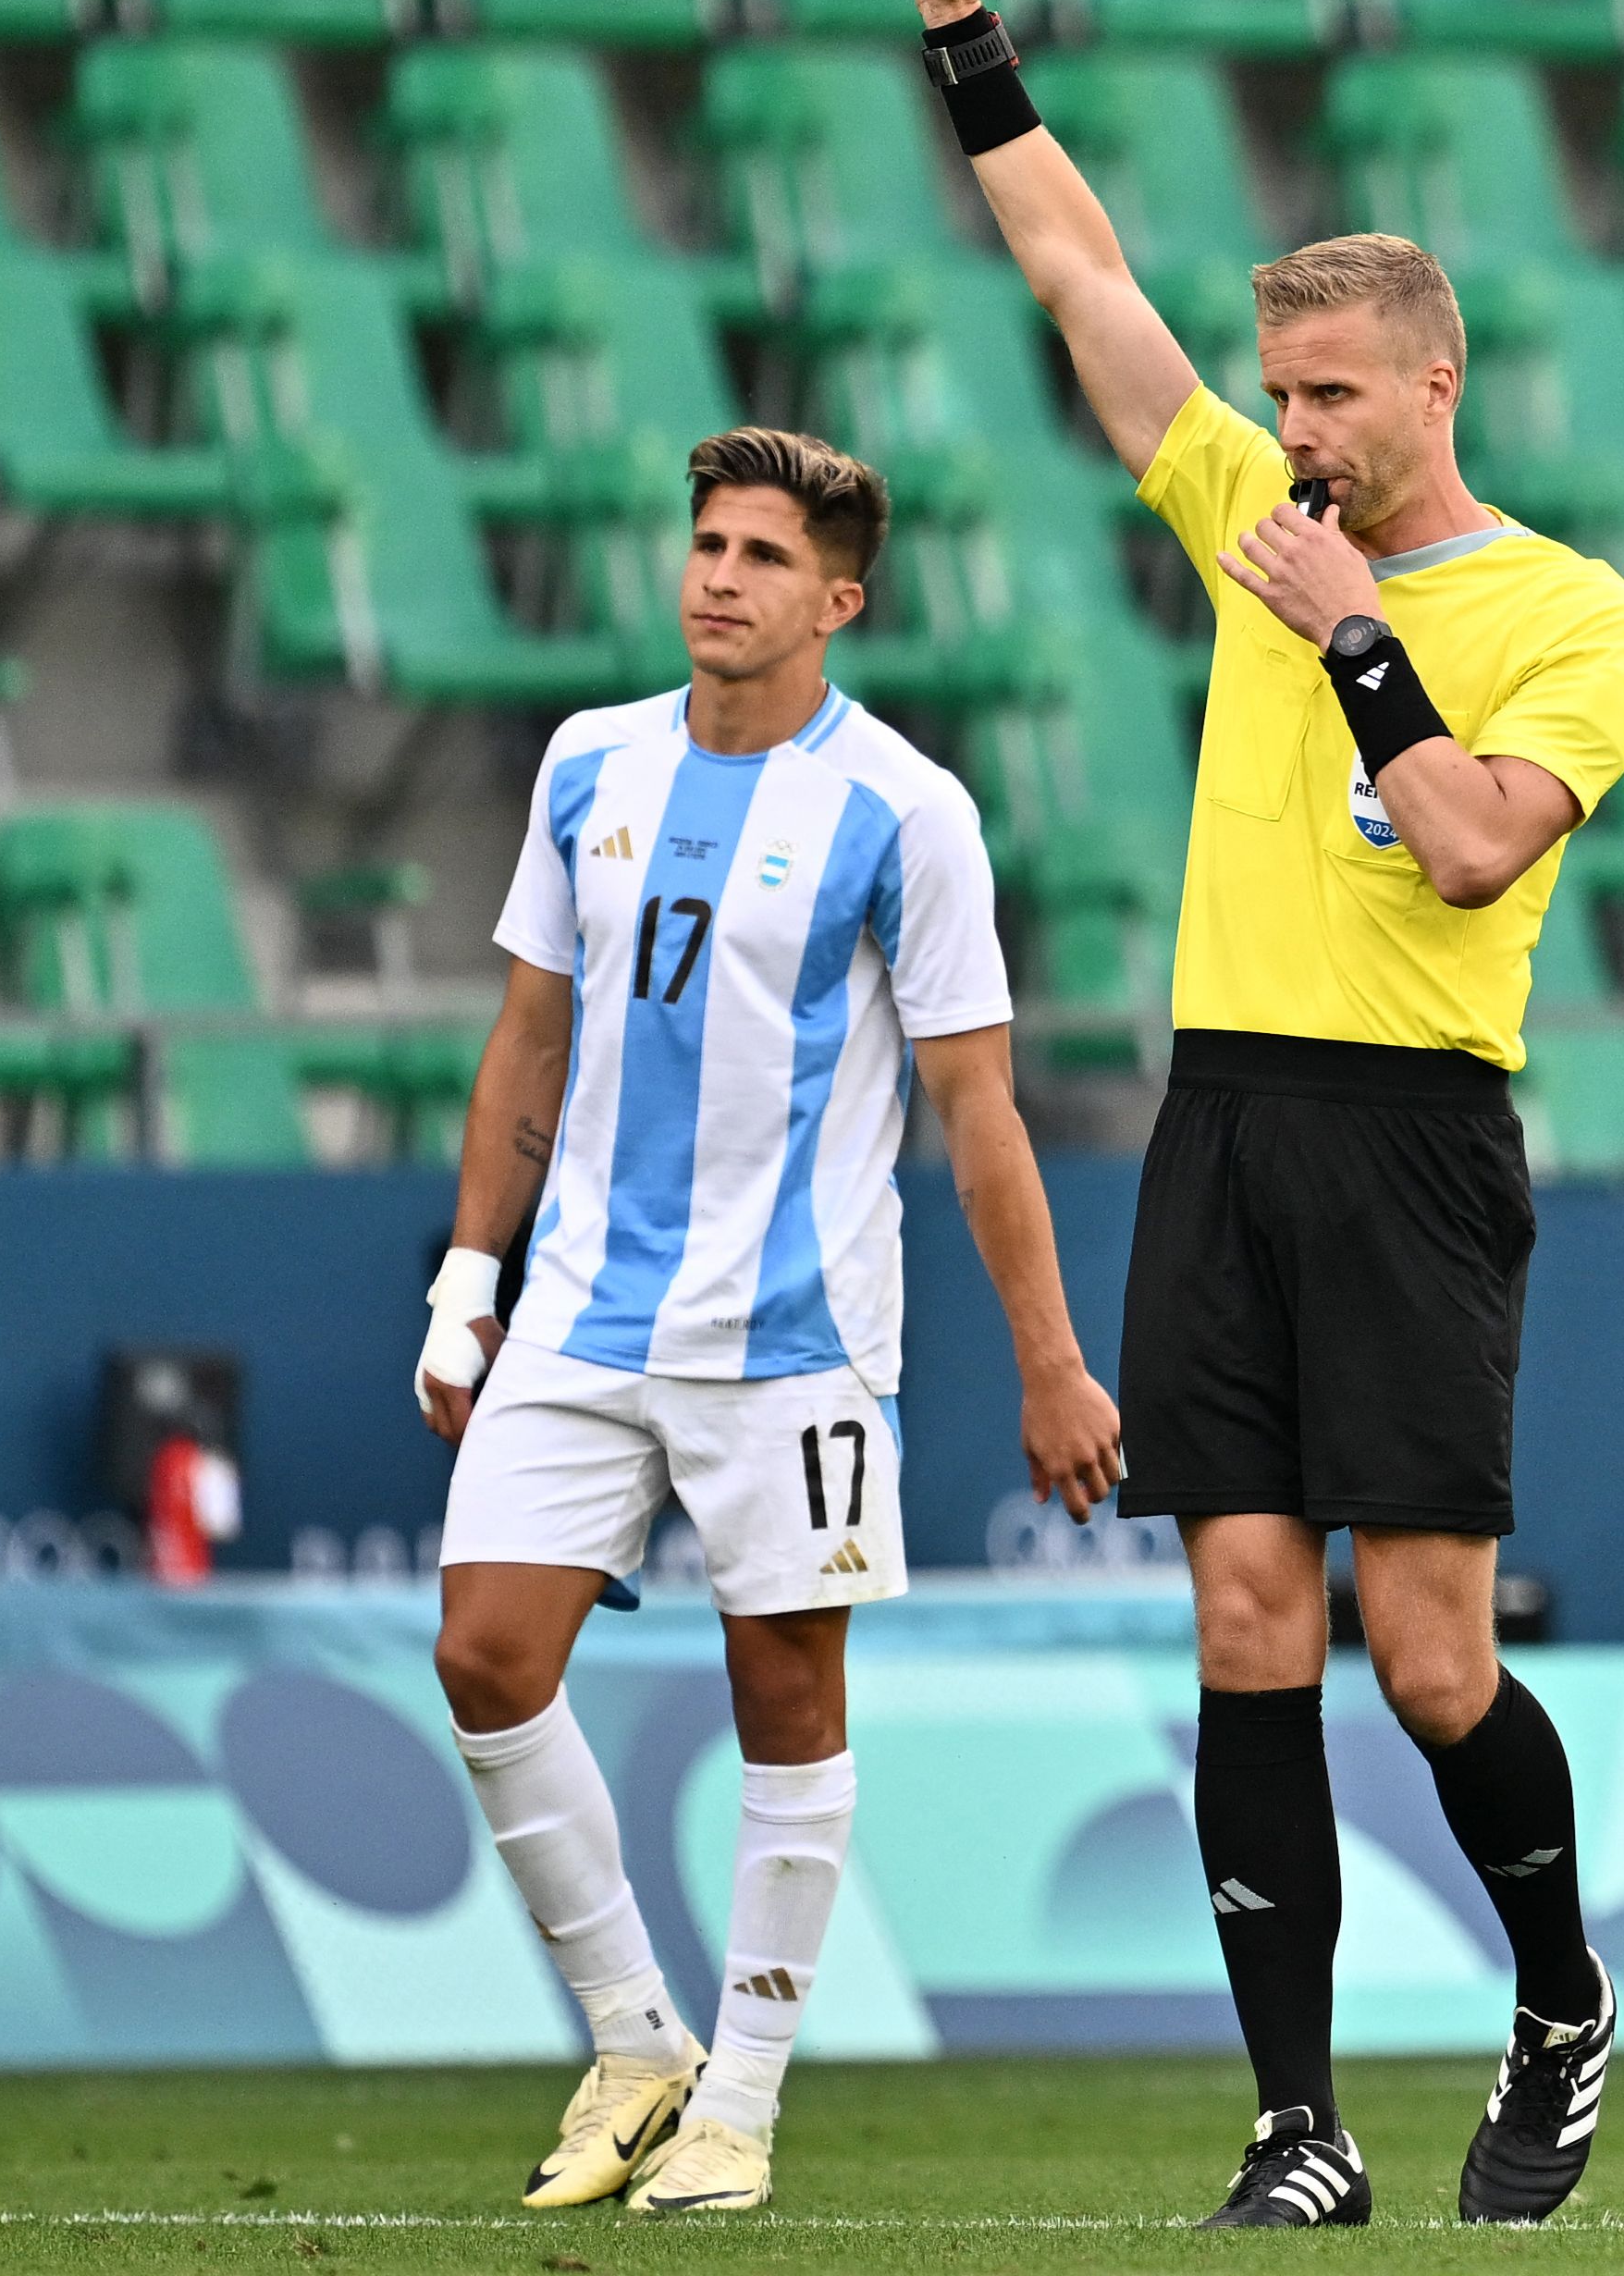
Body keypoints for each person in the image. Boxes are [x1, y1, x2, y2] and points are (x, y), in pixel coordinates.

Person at [912, 0, 1624, 2231]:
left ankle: (1558, 2004)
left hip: (1417, 1133)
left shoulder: (1562, 610)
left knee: (1430, 1654)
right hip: (1228, 1110)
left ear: (1436, 376)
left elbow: (1461, 842)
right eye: (1280, 394)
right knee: (1247, 1611)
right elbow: (1079, 280)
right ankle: (1296, 2125)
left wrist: (1348, 629)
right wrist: (963, 40)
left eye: (1335, 390)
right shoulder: (1247, 500)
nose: (1294, 430)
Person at [416, 428, 1126, 2218]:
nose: (719, 576)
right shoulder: (589, 763)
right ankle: (634, 2041)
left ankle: (736, 2104)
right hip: (579, 1311)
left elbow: (978, 1110)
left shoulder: (907, 810)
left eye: (759, 555)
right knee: (485, 1657)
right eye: (707, 544)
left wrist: (1049, 1357)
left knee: (784, 1700)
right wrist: (465, 1276)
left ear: (840, 599)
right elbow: (530, 1037)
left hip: (794, 1333)